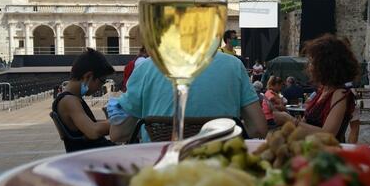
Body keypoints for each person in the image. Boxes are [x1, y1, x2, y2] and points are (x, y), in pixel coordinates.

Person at [109, 52, 267, 142]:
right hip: (221, 172)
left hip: (162, 174)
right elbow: (259, 129)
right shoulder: (233, 65)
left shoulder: (146, 68)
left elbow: (118, 134)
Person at [274, 35, 359, 142]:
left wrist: (290, 120)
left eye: (312, 62)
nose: (309, 66)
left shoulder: (340, 93)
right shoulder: (324, 90)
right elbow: (306, 124)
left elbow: (329, 134)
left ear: (326, 65)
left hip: (327, 154)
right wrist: (285, 111)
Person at [52, 48, 115, 149]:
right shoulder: (69, 101)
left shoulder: (73, 98)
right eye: (102, 81)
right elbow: (93, 131)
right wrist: (121, 123)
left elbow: (90, 123)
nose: (101, 86)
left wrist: (111, 121)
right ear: (88, 76)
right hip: (93, 156)